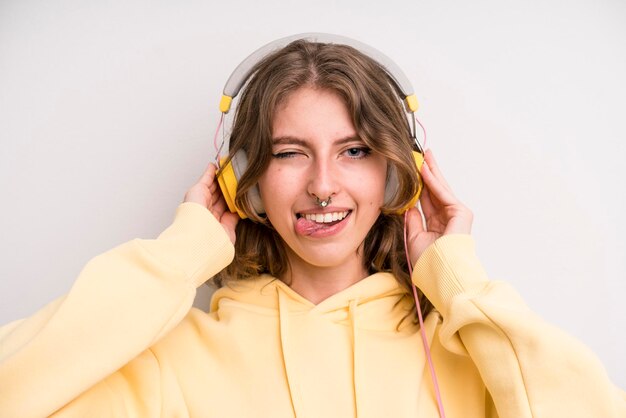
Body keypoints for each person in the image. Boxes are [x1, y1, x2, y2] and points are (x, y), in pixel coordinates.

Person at [1, 34, 625, 418]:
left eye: (353, 151)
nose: (323, 184)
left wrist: (461, 287)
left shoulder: (463, 352)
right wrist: (175, 260)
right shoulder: (175, 358)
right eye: (290, 152)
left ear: (397, 173)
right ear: (242, 178)